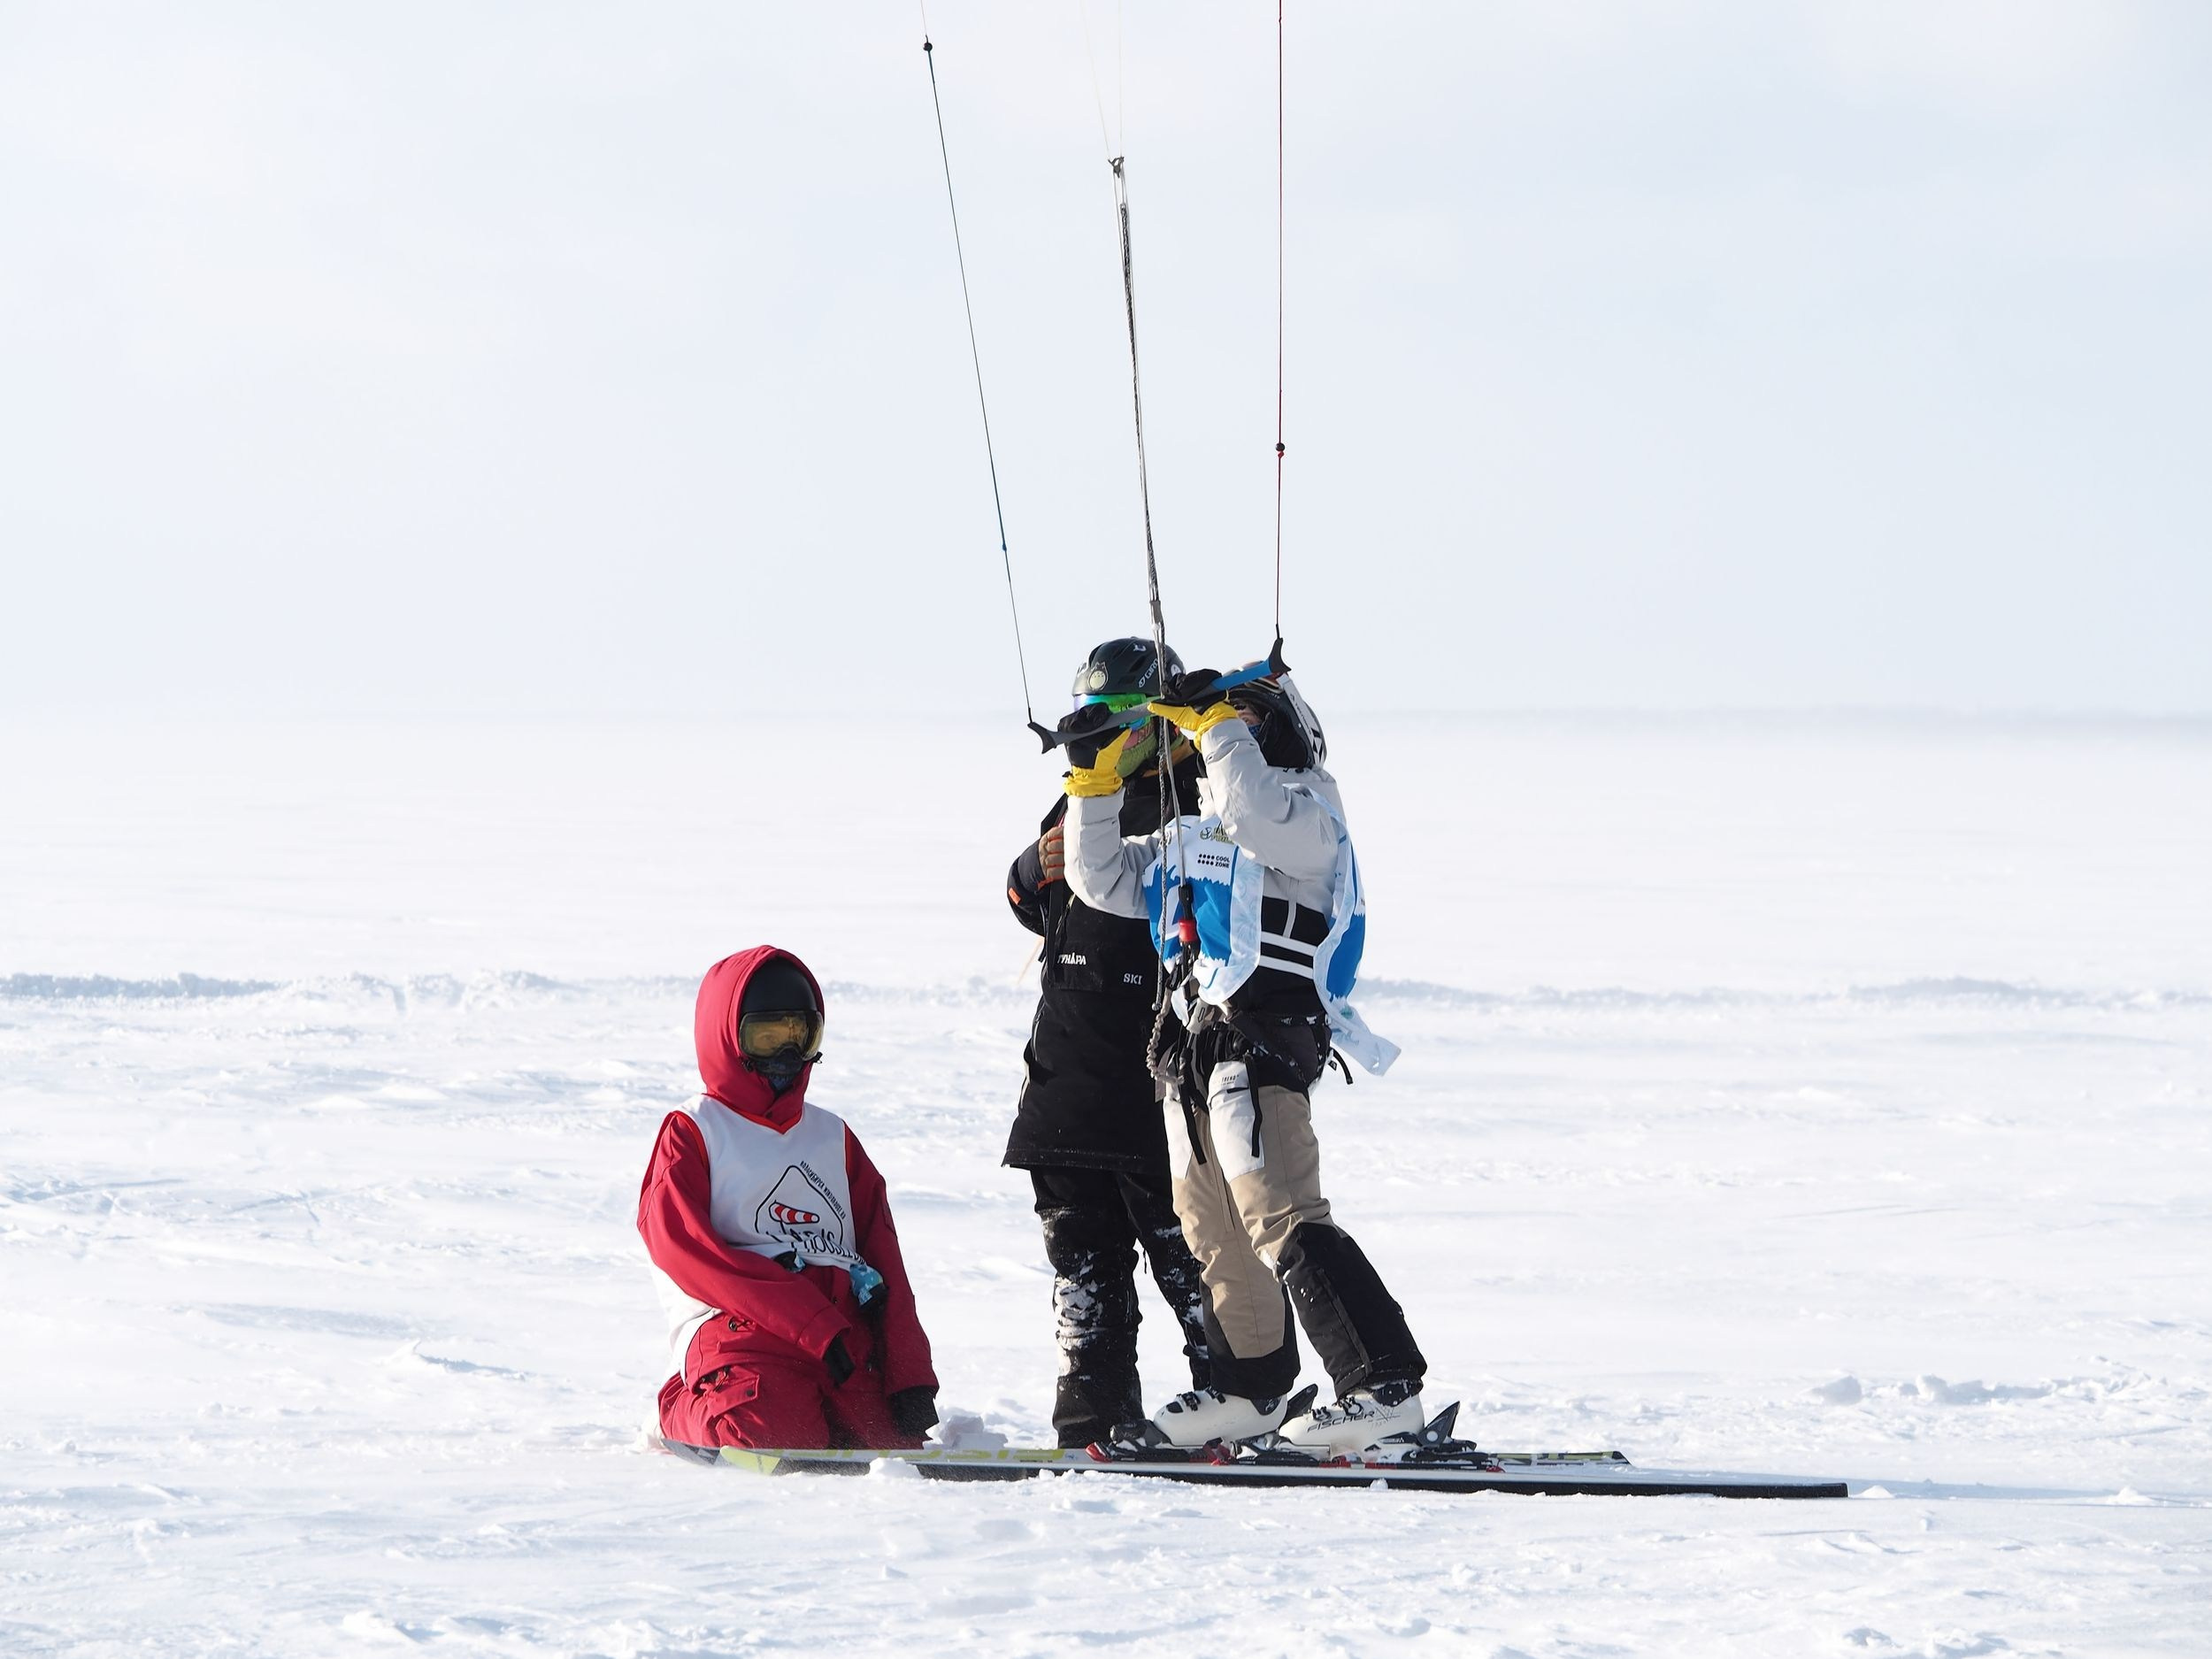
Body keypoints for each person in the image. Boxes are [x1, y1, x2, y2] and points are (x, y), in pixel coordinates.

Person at [1061, 664, 1427, 1453]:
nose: (1230, 739)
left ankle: (1383, 1383)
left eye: (1247, 726)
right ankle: (1251, 1385)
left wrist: (1218, 724)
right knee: (1211, 1228)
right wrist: (1093, 786)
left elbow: (1252, 810)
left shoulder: (1309, 819)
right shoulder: (1191, 836)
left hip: (1262, 1039)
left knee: (1282, 1212)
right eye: (1226, 726)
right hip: (1188, 1053)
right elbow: (1099, 882)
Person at [1004, 637, 1214, 1448]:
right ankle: (1093, 1424)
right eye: (1093, 725)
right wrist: (1036, 861)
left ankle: (1231, 1405)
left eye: (1119, 722)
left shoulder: (1198, 798)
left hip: (1159, 1082)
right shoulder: (1079, 799)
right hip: (1067, 1082)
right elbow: (1029, 900)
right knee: (1084, 1285)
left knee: (1197, 1270)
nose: (1106, 740)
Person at [641, 946, 939, 1450]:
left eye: (800, 1035)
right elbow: (683, 1249)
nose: (785, 1055)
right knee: (766, 1430)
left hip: (840, 1337)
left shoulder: (832, 1137)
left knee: (885, 1442)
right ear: (729, 1038)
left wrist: (908, 1373)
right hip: (742, 1333)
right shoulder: (694, 1132)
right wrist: (805, 1317)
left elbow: (884, 1255)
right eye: (767, 1036)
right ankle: (679, 1406)